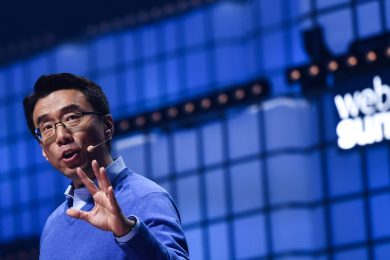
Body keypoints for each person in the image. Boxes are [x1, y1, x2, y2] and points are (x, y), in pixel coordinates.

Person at [23, 73, 189, 259]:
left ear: (107, 126)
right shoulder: (52, 226)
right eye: (47, 127)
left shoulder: (146, 197)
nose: (61, 136)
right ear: (43, 150)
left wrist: (128, 232)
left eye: (71, 117)